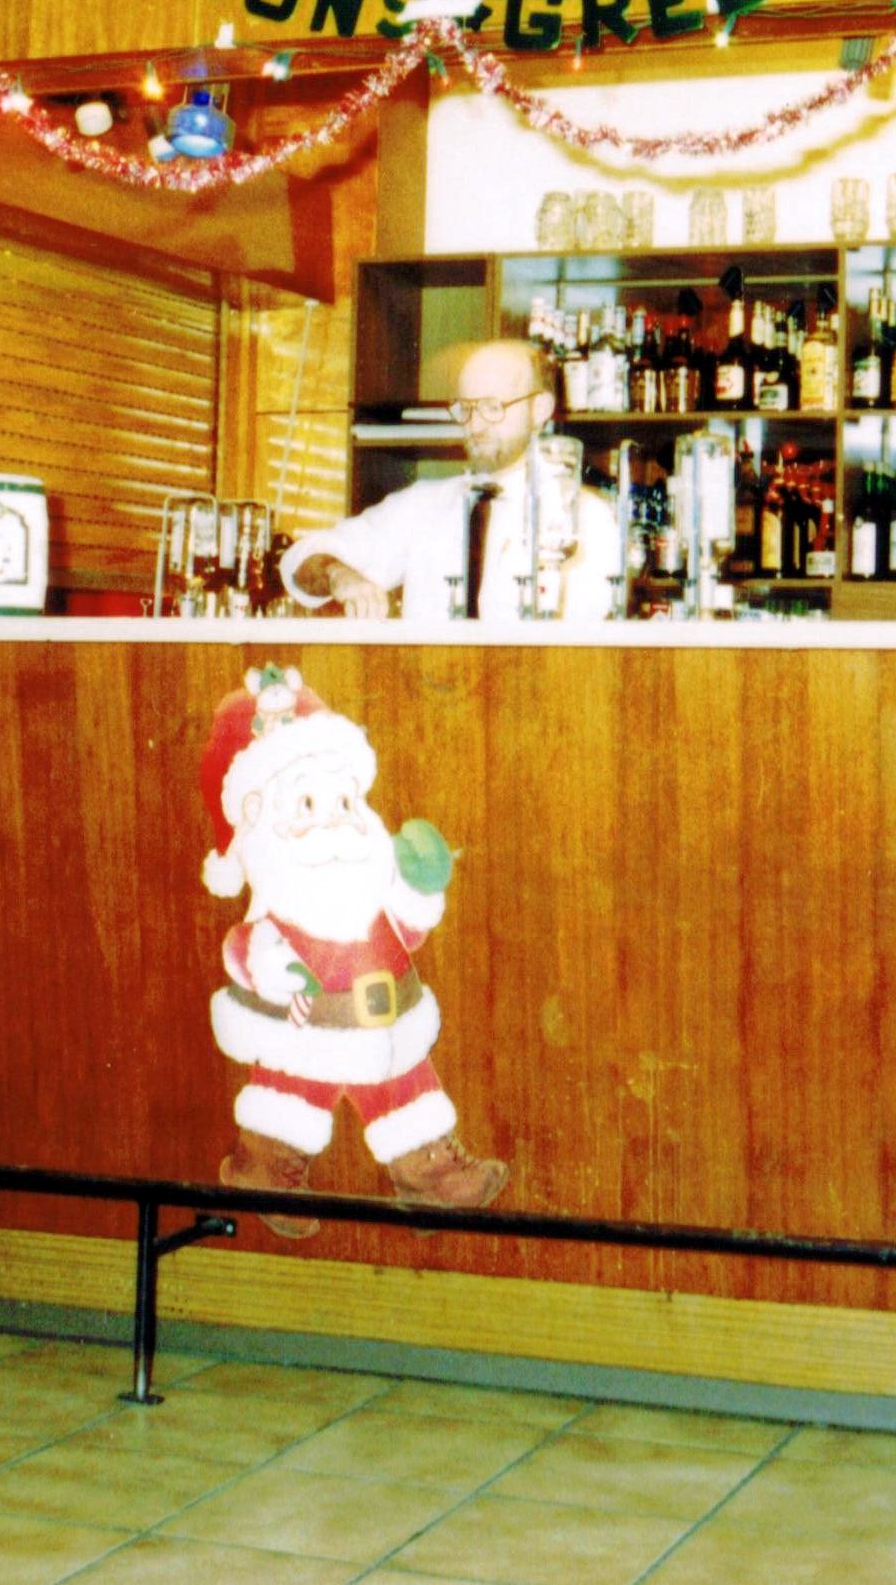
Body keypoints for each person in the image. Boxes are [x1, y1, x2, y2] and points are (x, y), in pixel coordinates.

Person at [201, 664, 507, 1231]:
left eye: (344, 804)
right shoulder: (279, 896)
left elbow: (405, 930)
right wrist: (269, 964)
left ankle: (430, 1173)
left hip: (387, 1016)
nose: (336, 825)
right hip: (303, 1022)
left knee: (404, 1080)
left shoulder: (371, 874)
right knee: (289, 1089)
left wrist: (418, 889)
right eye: (310, 807)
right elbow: (244, 948)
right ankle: (265, 1167)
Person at [281, 336, 622, 620]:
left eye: (492, 407)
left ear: (540, 409)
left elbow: (580, 651)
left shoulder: (585, 519)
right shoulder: (424, 505)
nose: (475, 425)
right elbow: (301, 560)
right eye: (466, 408)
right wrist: (340, 575)